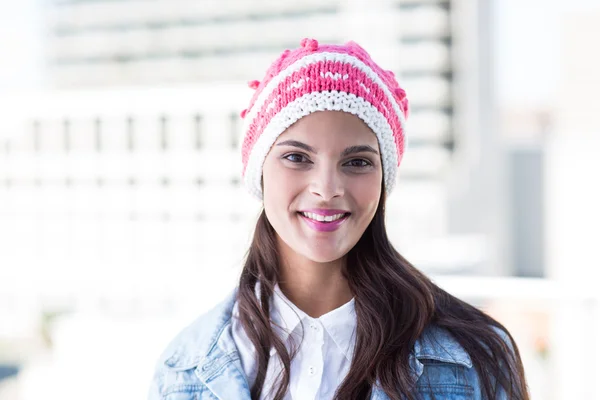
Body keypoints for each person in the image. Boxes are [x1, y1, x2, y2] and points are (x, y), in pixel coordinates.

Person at [148, 38, 529, 400]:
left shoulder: (477, 356)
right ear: (258, 170)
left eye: (357, 162)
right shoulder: (183, 371)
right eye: (297, 157)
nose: (326, 188)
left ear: (384, 180)